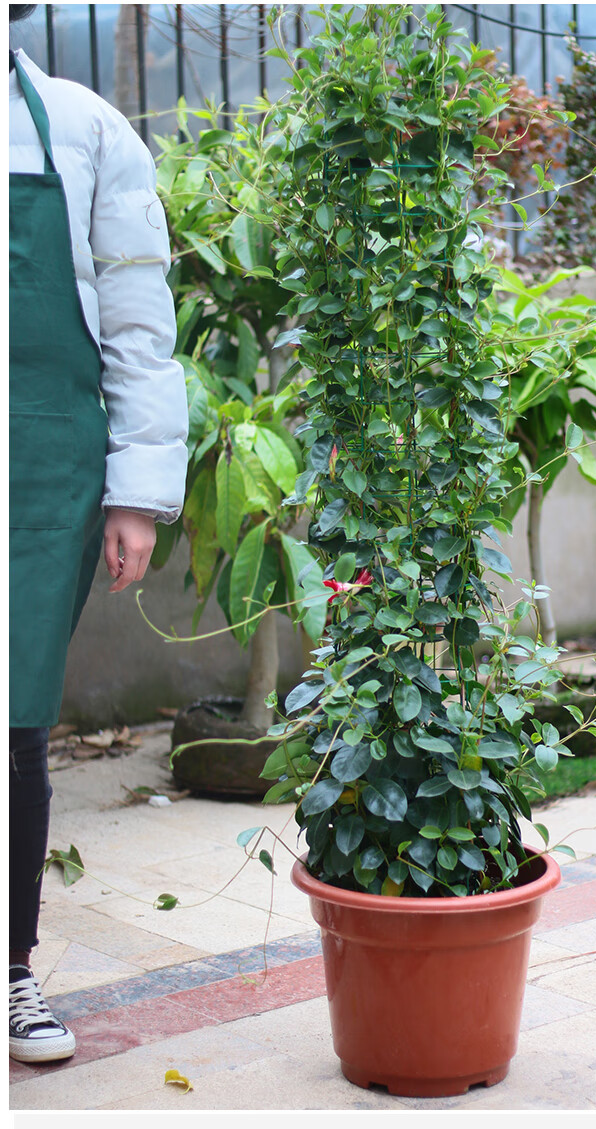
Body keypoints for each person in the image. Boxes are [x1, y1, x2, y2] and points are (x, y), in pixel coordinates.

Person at [9, 5, 189, 1063]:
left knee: (12, 719)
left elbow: (136, 321)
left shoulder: (76, 130)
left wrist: (136, 493)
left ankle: (10, 969)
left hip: (37, 473)